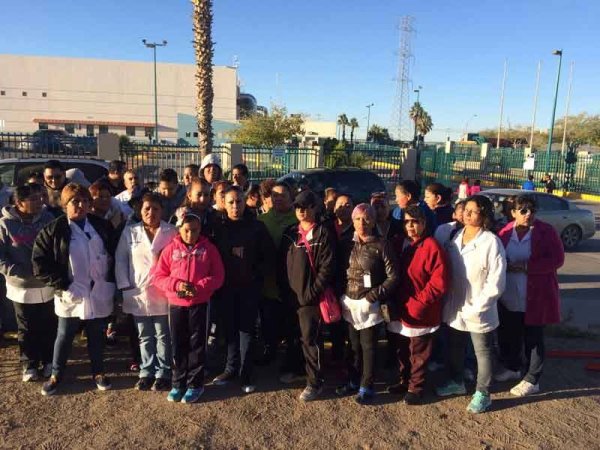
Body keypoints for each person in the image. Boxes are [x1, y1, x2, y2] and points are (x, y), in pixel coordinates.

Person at [32, 183, 116, 396]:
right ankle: (56, 374)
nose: (81, 205)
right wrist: (63, 284)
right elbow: (39, 264)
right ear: (64, 204)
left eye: (85, 201)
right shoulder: (54, 230)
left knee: (96, 334)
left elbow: (115, 253)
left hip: (97, 291)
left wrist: (111, 280)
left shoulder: (101, 226)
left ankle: (98, 372)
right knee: (64, 335)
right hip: (71, 292)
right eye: (75, 201)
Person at [436, 195, 506, 414]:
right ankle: (457, 381)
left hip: (479, 307)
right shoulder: (456, 236)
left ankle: (483, 393)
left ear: (484, 215)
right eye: (466, 209)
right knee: (455, 347)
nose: (467, 213)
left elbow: (497, 281)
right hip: (456, 305)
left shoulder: (491, 242)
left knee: (482, 352)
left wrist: (480, 306)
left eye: (473, 210)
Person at [153, 210, 225, 403]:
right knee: (178, 344)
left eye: (194, 230)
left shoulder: (208, 249)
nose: (190, 234)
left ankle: (195, 384)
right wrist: (177, 285)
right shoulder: (171, 249)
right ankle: (178, 383)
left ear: (200, 229)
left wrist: (199, 287)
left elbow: (218, 276)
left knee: (197, 345)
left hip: (199, 303)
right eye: (186, 230)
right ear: (179, 229)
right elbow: (159, 276)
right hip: (176, 304)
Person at [496, 195, 564, 396]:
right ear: (513, 212)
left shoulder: (546, 232)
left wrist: (527, 267)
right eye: (523, 211)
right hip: (509, 295)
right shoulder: (505, 232)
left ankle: (532, 378)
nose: (528, 215)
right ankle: (513, 367)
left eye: (532, 211)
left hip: (536, 295)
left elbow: (557, 260)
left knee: (533, 338)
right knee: (510, 334)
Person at [211, 186, 274, 393]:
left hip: (249, 288)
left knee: (246, 331)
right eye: (231, 202)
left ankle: (247, 373)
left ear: (245, 201)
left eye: (239, 201)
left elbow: (268, 257)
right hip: (225, 288)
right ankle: (230, 368)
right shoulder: (218, 227)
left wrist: (254, 275)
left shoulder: (257, 227)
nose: (235, 206)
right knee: (229, 330)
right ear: (224, 204)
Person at [336, 203, 398, 404]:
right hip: (349, 302)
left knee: (369, 346)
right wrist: (341, 294)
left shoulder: (382, 244)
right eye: (357, 219)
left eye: (366, 218)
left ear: (373, 220)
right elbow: (338, 272)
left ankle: (367, 384)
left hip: (369, 305)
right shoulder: (346, 243)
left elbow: (393, 276)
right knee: (352, 345)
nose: (362, 223)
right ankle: (353, 379)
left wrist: (373, 296)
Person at [115, 192, 178, 392]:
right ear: (140, 211)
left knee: (162, 334)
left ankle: (164, 373)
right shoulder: (130, 232)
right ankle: (146, 371)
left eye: (155, 209)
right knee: (144, 335)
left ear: (162, 211)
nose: (151, 212)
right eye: (146, 209)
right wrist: (125, 286)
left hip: (162, 291)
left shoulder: (172, 232)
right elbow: (120, 260)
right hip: (138, 292)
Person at [387, 205, 449, 405]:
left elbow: (439, 282)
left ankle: (416, 386)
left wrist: (420, 302)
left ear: (424, 223)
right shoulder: (398, 243)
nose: (411, 226)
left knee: (419, 352)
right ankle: (404, 381)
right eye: (407, 222)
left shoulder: (432, 246)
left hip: (420, 309)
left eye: (415, 222)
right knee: (402, 349)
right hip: (401, 307)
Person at [280, 190, 335, 402]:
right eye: (297, 207)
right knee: (295, 337)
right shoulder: (290, 233)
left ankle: (315, 382)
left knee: (311, 341)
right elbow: (281, 264)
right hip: (291, 298)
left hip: (310, 300)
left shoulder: (323, 234)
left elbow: (327, 269)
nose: (301, 211)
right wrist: (285, 290)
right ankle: (297, 370)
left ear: (314, 208)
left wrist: (311, 294)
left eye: (305, 207)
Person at [0, 183, 56, 382]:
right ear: (19, 203)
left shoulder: (48, 219)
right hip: (21, 286)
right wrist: (19, 272)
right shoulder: (5, 225)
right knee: (26, 327)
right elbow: (1, 257)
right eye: (32, 199)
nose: (38, 202)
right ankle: (29, 363)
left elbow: (57, 248)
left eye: (39, 197)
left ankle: (49, 361)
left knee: (48, 324)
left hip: (45, 284)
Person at [256, 181, 298, 367]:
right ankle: (269, 350)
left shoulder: (297, 220)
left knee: (290, 321)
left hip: (291, 281)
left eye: (283, 195)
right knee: (268, 319)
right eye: (275, 195)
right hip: (269, 280)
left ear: (291, 198)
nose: (278, 199)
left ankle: (291, 356)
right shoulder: (263, 220)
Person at [330, 194, 354, 362]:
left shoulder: (358, 228)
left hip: (352, 283)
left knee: (350, 325)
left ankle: (351, 358)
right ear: (333, 208)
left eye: (348, 205)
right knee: (333, 322)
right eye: (340, 204)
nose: (343, 208)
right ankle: (336, 355)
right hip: (330, 282)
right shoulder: (326, 228)